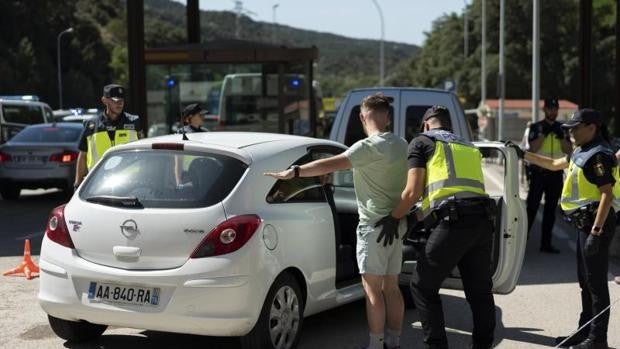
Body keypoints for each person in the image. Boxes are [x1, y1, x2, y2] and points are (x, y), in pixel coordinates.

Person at [264, 93, 408, 349]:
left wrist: (294, 172)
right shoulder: (401, 145)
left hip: (373, 228)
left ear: (363, 117)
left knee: (373, 291)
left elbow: (328, 164)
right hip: (395, 225)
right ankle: (394, 341)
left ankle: (376, 345)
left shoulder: (366, 147)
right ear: (387, 117)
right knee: (392, 288)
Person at [377, 105, 497, 349]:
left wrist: (394, 217)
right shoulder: (467, 145)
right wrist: (418, 217)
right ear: (447, 125)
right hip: (482, 222)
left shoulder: (421, 142)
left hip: (453, 223)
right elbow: (447, 190)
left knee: (422, 286)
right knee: (479, 293)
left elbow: (411, 192)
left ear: (425, 125)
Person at [507, 108, 619, 349]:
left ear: (592, 127)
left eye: (575, 128)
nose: (571, 132)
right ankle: (585, 331)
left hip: (595, 225)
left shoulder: (598, 155)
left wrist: (596, 233)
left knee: (596, 284)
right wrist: (523, 154)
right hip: (585, 225)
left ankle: (598, 339)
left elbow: (607, 196)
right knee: (585, 282)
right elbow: (556, 164)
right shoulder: (581, 150)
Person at [525, 98, 572, 253]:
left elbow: (567, 150)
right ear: (544, 110)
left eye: (555, 109)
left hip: (555, 173)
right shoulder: (536, 126)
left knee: (550, 209)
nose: (553, 111)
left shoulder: (562, 128)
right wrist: (543, 133)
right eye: (550, 109)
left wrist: (561, 137)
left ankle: (546, 244)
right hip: (538, 172)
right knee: (532, 207)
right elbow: (533, 147)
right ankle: (522, 240)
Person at [74, 84, 144, 188]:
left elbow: (144, 152)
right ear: (104, 100)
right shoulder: (91, 125)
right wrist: (77, 184)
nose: (120, 103)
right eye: (115, 100)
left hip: (130, 183)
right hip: (97, 184)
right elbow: (83, 156)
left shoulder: (134, 122)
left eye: (122, 100)